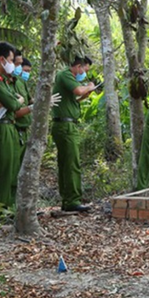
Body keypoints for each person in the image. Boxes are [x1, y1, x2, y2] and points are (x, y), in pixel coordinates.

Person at [0, 41, 33, 216]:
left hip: (10, 126)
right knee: (3, 172)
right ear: (2, 59)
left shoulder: (4, 80)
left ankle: (10, 208)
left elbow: (13, 101)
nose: (13, 64)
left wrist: (14, 100)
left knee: (12, 171)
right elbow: (14, 104)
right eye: (11, 60)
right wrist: (16, 100)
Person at [51, 55, 96, 212]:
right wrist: (89, 86)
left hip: (68, 124)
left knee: (67, 163)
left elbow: (73, 99)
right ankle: (72, 201)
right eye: (85, 70)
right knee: (71, 163)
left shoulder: (67, 78)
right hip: (65, 126)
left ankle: (68, 199)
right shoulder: (65, 74)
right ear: (78, 66)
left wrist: (85, 95)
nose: (84, 74)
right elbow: (78, 90)